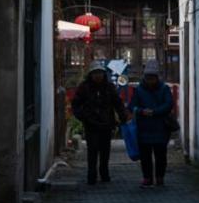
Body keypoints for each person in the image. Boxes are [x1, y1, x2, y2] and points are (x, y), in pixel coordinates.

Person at [71, 62, 128, 185]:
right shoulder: (84, 87)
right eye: (95, 73)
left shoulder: (109, 87)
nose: (98, 76)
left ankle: (104, 174)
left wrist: (123, 116)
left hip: (106, 123)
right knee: (92, 149)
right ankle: (91, 176)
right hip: (91, 123)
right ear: (91, 75)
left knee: (105, 150)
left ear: (103, 74)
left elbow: (117, 102)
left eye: (100, 73)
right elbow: (76, 104)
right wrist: (83, 116)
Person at [129, 60, 174, 188]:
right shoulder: (139, 90)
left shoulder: (164, 89)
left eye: (153, 78)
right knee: (145, 156)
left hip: (160, 127)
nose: (150, 81)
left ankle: (160, 177)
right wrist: (143, 111)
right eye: (148, 78)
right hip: (144, 128)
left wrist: (154, 112)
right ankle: (147, 177)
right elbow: (133, 106)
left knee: (161, 155)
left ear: (157, 77)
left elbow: (168, 104)